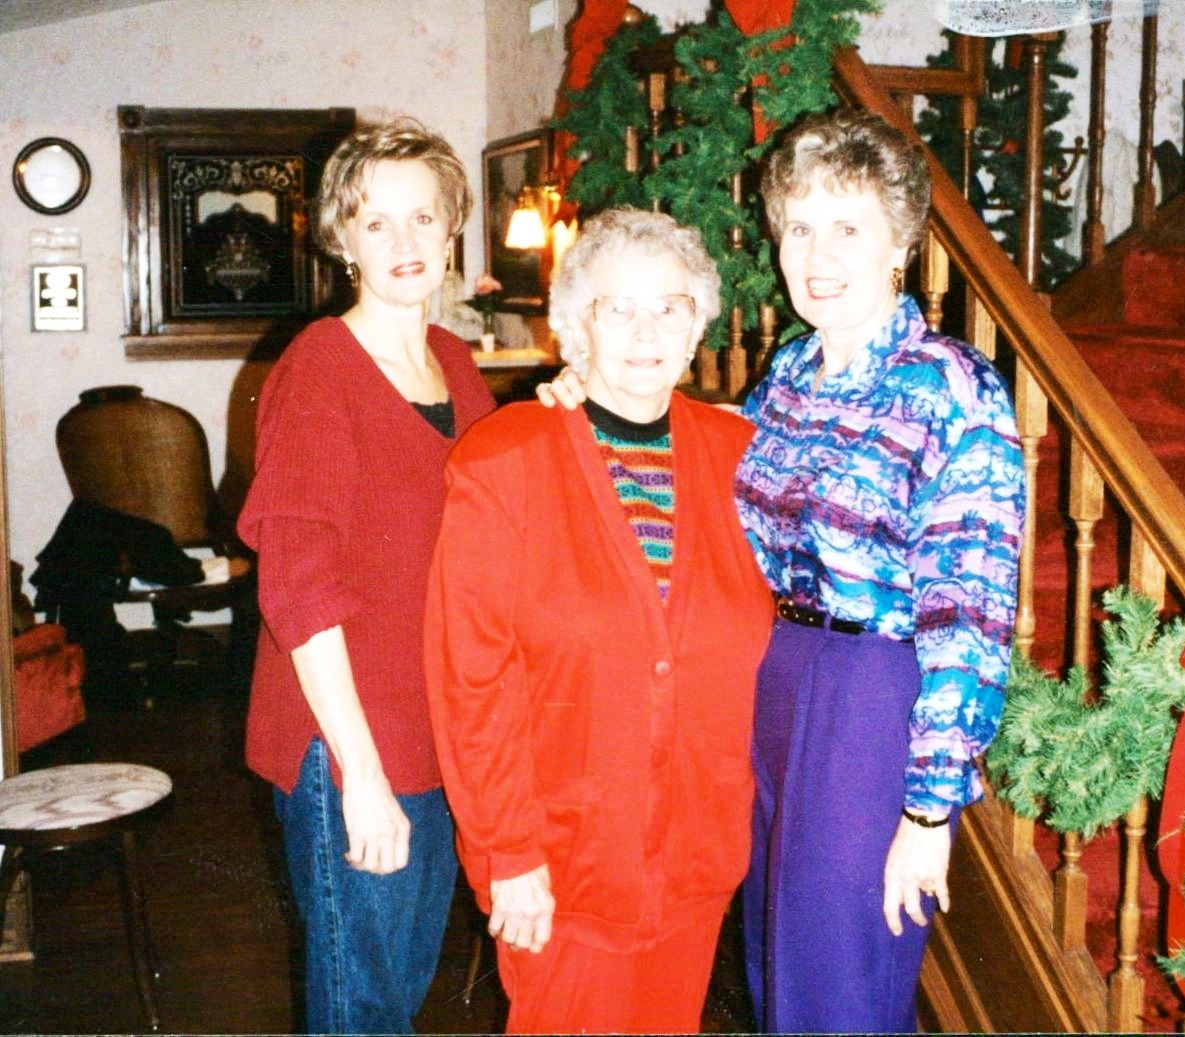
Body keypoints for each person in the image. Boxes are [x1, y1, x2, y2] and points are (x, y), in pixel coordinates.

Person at [539, 108, 1024, 1032]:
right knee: (774, 972)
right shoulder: (791, 374)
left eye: (847, 228)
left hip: (872, 697)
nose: (818, 254)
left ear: (900, 244)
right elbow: (697, 469)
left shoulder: (952, 387)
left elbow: (970, 616)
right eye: (799, 227)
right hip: (768, 684)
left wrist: (929, 813)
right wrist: (586, 389)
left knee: (838, 988)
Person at [424, 208, 773, 1034]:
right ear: (576, 324)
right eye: (617, 307)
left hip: (695, 859)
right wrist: (508, 854)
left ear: (698, 323)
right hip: (564, 868)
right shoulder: (505, 458)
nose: (645, 331)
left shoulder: (742, 455)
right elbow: (471, 681)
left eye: (670, 306)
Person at [237, 116, 495, 1034]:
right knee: (363, 1008)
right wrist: (361, 774)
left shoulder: (456, 363)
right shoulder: (319, 370)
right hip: (348, 737)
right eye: (375, 222)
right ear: (342, 239)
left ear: (452, 227)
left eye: (422, 216)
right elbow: (298, 594)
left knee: (397, 993)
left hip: (435, 726)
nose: (403, 241)